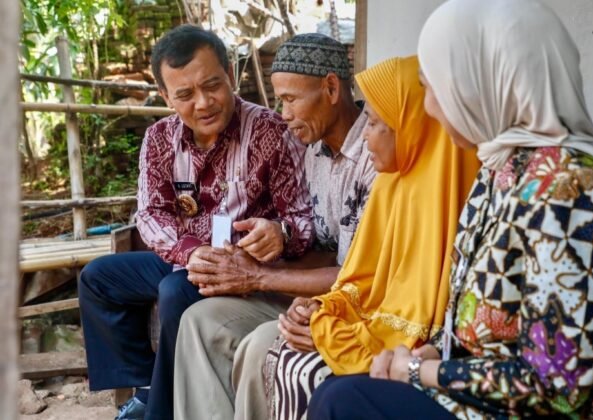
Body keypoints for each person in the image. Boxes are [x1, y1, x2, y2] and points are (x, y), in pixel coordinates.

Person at [308, 1, 593, 419]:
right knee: (339, 389)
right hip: (492, 396)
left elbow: (558, 385)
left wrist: (425, 371)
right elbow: (481, 322)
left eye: (435, 87)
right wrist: (434, 353)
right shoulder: (498, 171)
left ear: (485, 83)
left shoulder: (571, 188)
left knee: (343, 402)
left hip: (564, 411)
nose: (429, 108)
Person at [78, 25, 313, 420]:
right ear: (166, 96)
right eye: (185, 95)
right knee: (98, 279)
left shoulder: (271, 131)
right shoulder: (159, 139)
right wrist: (191, 252)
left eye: (212, 85)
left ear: (230, 75)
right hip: (187, 258)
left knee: (175, 290)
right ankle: (147, 388)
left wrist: (281, 234)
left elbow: (303, 219)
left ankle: (160, 411)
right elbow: (151, 213)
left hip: (244, 269)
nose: (203, 103)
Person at [172, 33, 376, 420]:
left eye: (290, 99)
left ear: (331, 88)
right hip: (314, 295)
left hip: (360, 305)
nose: (283, 113)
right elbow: (321, 248)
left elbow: (361, 274)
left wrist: (259, 277)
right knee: (199, 320)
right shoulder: (313, 151)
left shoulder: (377, 152)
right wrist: (266, 246)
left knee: (262, 344)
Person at [267, 55, 480, 420]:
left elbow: (418, 320)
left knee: (308, 373)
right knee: (282, 353)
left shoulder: (446, 191)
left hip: (425, 352)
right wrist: (321, 309)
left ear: (411, 126)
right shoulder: (390, 183)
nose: (365, 134)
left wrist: (329, 332)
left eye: (375, 123)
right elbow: (362, 280)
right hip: (385, 333)